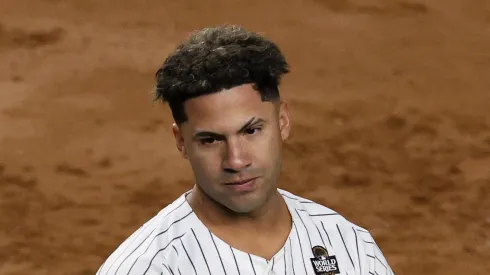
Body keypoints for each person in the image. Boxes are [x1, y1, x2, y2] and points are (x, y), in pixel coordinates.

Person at [96, 24, 395, 275]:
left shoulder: (351, 249)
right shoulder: (148, 267)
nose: (236, 161)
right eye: (211, 140)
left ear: (282, 122)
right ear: (181, 143)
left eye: (251, 131)